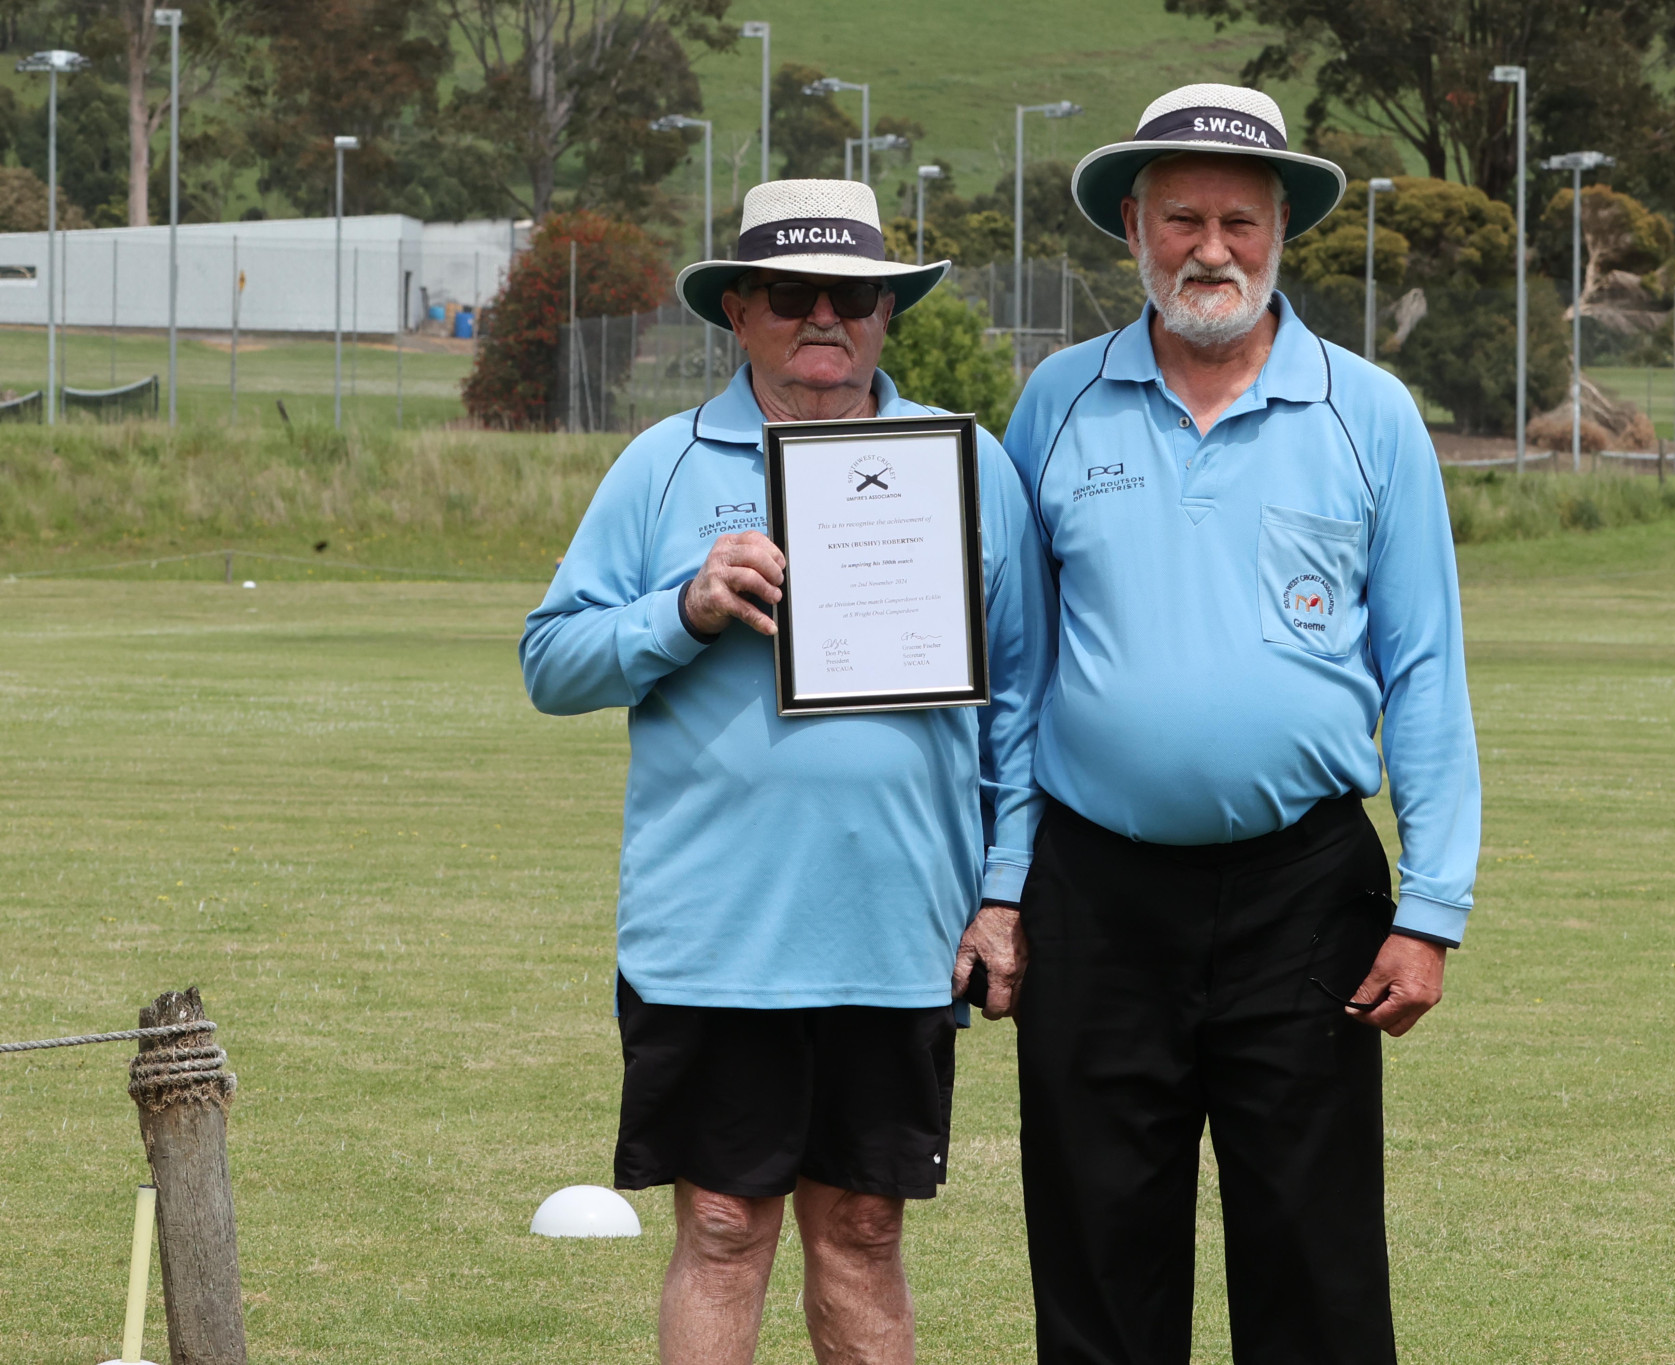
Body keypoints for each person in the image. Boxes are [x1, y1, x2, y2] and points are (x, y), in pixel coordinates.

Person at [519, 180, 1050, 1365]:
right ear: (740, 314)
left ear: (885, 314)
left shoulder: (969, 468)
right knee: (719, 1225)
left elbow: (1022, 708)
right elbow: (549, 661)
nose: (825, 316)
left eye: (851, 294)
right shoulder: (661, 465)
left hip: (898, 930)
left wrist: (1005, 889)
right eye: (792, 295)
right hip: (713, 934)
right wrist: (684, 609)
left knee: (863, 1230)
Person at [1000, 85, 1482, 1364]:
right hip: (1091, 894)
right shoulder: (1053, 405)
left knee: (1312, 1273)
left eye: (1236, 220)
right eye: (1179, 219)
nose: (1209, 248)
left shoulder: (1366, 412)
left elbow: (1422, 667)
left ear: (1280, 233)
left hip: (1303, 893)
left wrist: (1430, 910)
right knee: (1100, 1267)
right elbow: (1013, 672)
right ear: (1130, 227)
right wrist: (998, 886)